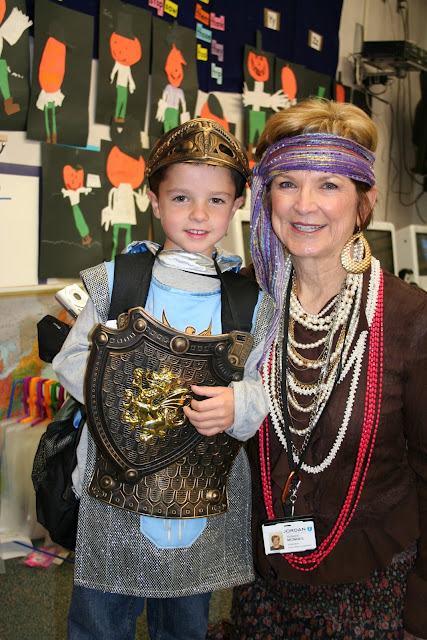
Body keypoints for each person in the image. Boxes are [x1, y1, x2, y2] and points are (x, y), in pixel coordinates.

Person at [52, 118, 272, 640]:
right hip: (113, 495)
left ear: (237, 205)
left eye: (216, 200)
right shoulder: (118, 282)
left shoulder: (249, 303)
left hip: (199, 500)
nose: (199, 214)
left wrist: (238, 405)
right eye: (181, 198)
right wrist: (127, 390)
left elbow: (264, 385)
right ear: (153, 200)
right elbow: (70, 360)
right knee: (99, 627)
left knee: (184, 629)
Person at [231, 99, 427, 639]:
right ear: (266, 194)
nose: (304, 205)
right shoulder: (244, 304)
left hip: (374, 585)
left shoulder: (410, 319)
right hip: (262, 580)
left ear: (365, 203)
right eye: (287, 183)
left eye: (329, 185)